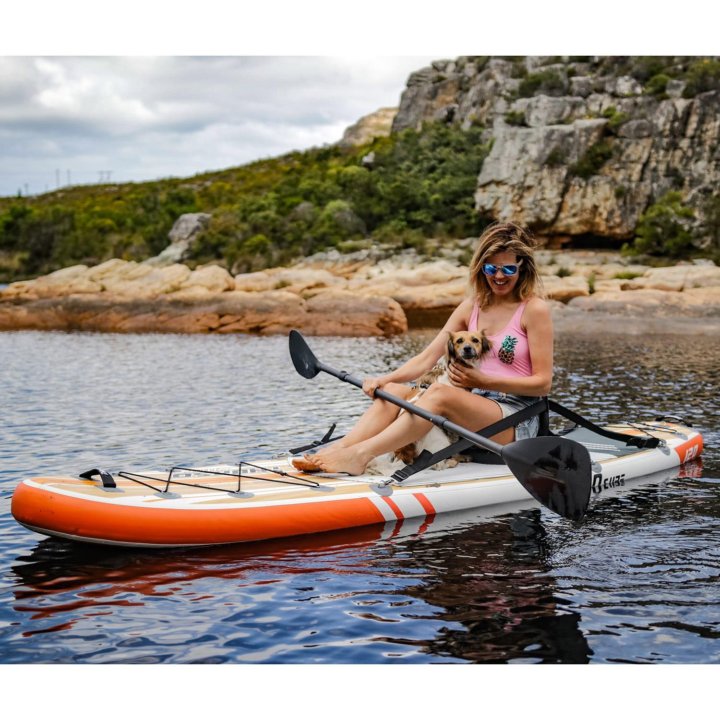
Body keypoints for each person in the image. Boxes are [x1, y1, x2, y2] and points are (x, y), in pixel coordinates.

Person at [293, 221, 553, 476]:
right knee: (394, 391)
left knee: (439, 393)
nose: (498, 276)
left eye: (507, 270)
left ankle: (360, 456)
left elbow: (543, 384)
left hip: (516, 419)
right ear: (480, 268)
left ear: (522, 268)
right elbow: (427, 358)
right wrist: (385, 379)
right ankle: (340, 448)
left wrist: (484, 380)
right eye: (490, 268)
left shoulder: (534, 310)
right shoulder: (470, 307)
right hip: (472, 409)